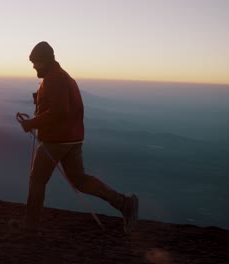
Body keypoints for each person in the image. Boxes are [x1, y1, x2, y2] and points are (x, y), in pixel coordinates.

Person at [16, 41, 138, 234]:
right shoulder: (64, 77)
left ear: (46, 60)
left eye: (36, 62)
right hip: (72, 139)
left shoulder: (54, 78)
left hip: (56, 140)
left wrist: (31, 123)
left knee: (37, 180)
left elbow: (59, 112)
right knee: (80, 180)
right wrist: (39, 101)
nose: (33, 67)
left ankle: (30, 225)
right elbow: (62, 108)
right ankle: (125, 204)